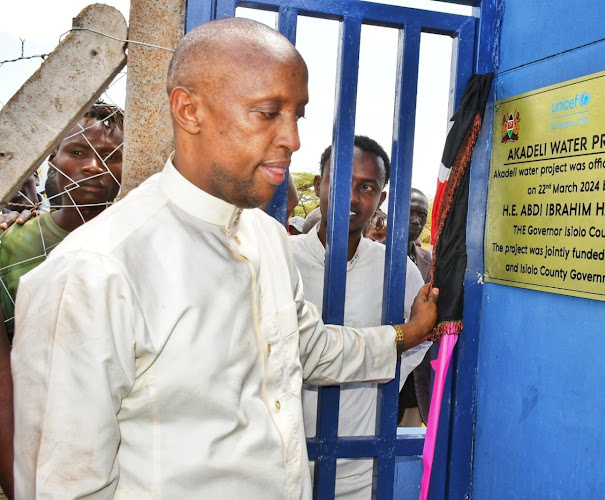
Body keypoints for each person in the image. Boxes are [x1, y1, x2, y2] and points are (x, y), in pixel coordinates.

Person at [11, 18, 437, 499]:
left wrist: (405, 335)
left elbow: (306, 348)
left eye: (297, 114)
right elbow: (66, 484)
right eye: (267, 113)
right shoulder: (94, 271)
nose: (292, 139)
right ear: (188, 110)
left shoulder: (265, 238)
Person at [291, 136, 429, 498]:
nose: (351, 197)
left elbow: (419, 338)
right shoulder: (282, 258)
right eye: (339, 180)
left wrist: (375, 393)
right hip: (283, 457)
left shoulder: (396, 269)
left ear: (381, 198)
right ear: (319, 184)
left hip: (360, 462)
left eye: (366, 187)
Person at [0, 101, 124, 497]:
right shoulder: (11, 245)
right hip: (30, 429)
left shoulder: (136, 248)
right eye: (77, 152)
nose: (93, 167)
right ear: (49, 157)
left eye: (113, 157)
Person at [399, 188, 434, 426]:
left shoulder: (428, 260)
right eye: (410, 211)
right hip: (377, 375)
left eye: (422, 214)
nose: (416, 220)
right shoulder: (371, 253)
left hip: (415, 382)